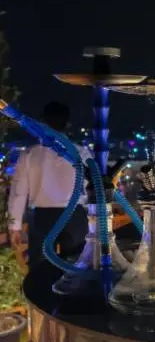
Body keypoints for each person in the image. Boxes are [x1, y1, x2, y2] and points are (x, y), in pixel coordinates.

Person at [7, 102, 90, 268]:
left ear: (42, 122)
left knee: (40, 268)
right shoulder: (81, 153)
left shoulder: (30, 154)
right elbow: (90, 188)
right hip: (74, 215)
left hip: (42, 217)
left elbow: (19, 192)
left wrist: (14, 226)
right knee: (76, 267)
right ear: (67, 123)